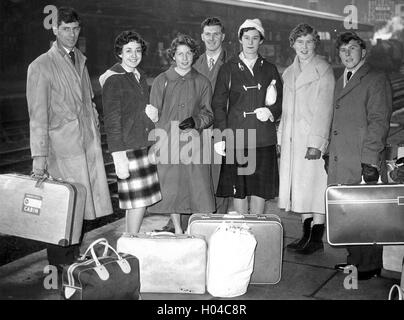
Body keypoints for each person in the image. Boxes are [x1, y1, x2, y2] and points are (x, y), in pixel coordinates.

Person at [26, 7, 113, 268]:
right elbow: (38, 118)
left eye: (76, 29)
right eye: (66, 29)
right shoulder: (41, 66)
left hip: (84, 145)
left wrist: (95, 125)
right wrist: (39, 160)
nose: (72, 34)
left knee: (79, 209)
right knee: (61, 210)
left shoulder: (79, 60)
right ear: (54, 30)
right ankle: (58, 266)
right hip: (61, 151)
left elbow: (89, 101)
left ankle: (72, 264)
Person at [329, 31, 392, 280]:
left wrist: (370, 159)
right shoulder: (342, 78)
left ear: (363, 51)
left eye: (353, 48)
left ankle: (368, 265)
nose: (347, 54)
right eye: (343, 50)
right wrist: (327, 152)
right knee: (349, 213)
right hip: (342, 156)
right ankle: (354, 261)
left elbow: (379, 121)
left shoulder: (375, 78)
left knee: (365, 214)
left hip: (361, 158)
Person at [157, 17, 229, 233]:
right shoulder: (188, 67)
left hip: (217, 131)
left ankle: (214, 226)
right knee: (184, 181)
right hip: (188, 136)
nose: (212, 38)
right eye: (208, 34)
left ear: (223, 36)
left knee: (214, 183)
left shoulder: (231, 63)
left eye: (216, 34)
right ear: (202, 36)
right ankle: (182, 224)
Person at [211, 18, 282, 215]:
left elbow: (279, 102)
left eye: (255, 38)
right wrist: (220, 136)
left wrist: (271, 111)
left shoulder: (270, 69)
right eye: (246, 38)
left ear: (261, 41)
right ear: (240, 40)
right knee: (239, 189)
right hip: (237, 136)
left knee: (260, 188)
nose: (250, 42)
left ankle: (258, 224)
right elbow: (218, 104)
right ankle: (242, 227)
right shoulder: (228, 68)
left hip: (263, 138)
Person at [147, 34, 215, 234]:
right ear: (173, 56)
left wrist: (196, 121)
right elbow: (155, 115)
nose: (184, 58)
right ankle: (177, 229)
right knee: (173, 188)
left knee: (197, 187)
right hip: (169, 142)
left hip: (195, 142)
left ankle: (194, 229)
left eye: (188, 53)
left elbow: (208, 113)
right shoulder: (162, 81)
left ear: (194, 55)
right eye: (180, 54)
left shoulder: (202, 82)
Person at [278, 23, 335, 254]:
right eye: (299, 42)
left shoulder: (323, 70)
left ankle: (316, 237)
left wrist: (317, 143)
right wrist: (281, 137)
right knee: (300, 188)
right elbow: (284, 109)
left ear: (316, 44)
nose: (304, 46)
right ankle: (306, 233)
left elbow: (325, 110)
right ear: (292, 44)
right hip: (293, 139)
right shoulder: (289, 72)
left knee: (315, 186)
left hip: (311, 140)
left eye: (309, 41)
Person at [99, 30, 162, 234]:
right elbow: (112, 121)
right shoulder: (114, 79)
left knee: (139, 201)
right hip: (128, 148)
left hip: (142, 143)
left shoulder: (138, 75)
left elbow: (135, 110)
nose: (133, 55)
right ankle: (131, 240)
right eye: (128, 51)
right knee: (138, 202)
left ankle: (130, 237)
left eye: (137, 50)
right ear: (119, 53)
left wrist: (151, 117)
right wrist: (118, 156)